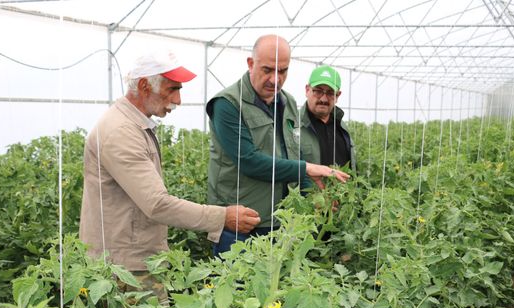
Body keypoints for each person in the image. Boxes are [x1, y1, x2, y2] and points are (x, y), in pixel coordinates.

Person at [79, 49, 261, 294]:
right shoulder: (120, 132)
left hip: (133, 259)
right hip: (123, 268)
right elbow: (157, 204)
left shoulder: (133, 124)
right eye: (171, 89)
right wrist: (222, 217)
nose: (177, 100)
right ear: (144, 86)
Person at [207, 35, 349, 255]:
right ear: (250, 64)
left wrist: (314, 197)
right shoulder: (228, 104)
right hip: (241, 225)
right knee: (236, 286)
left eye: (282, 71)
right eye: (267, 70)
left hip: (283, 224)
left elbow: (295, 155)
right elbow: (249, 161)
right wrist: (307, 168)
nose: (275, 79)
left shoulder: (288, 103)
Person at [299, 65, 355, 169]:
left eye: (330, 93)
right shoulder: (293, 125)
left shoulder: (342, 127)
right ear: (307, 90)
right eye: (318, 91)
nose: (324, 99)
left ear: (338, 95)